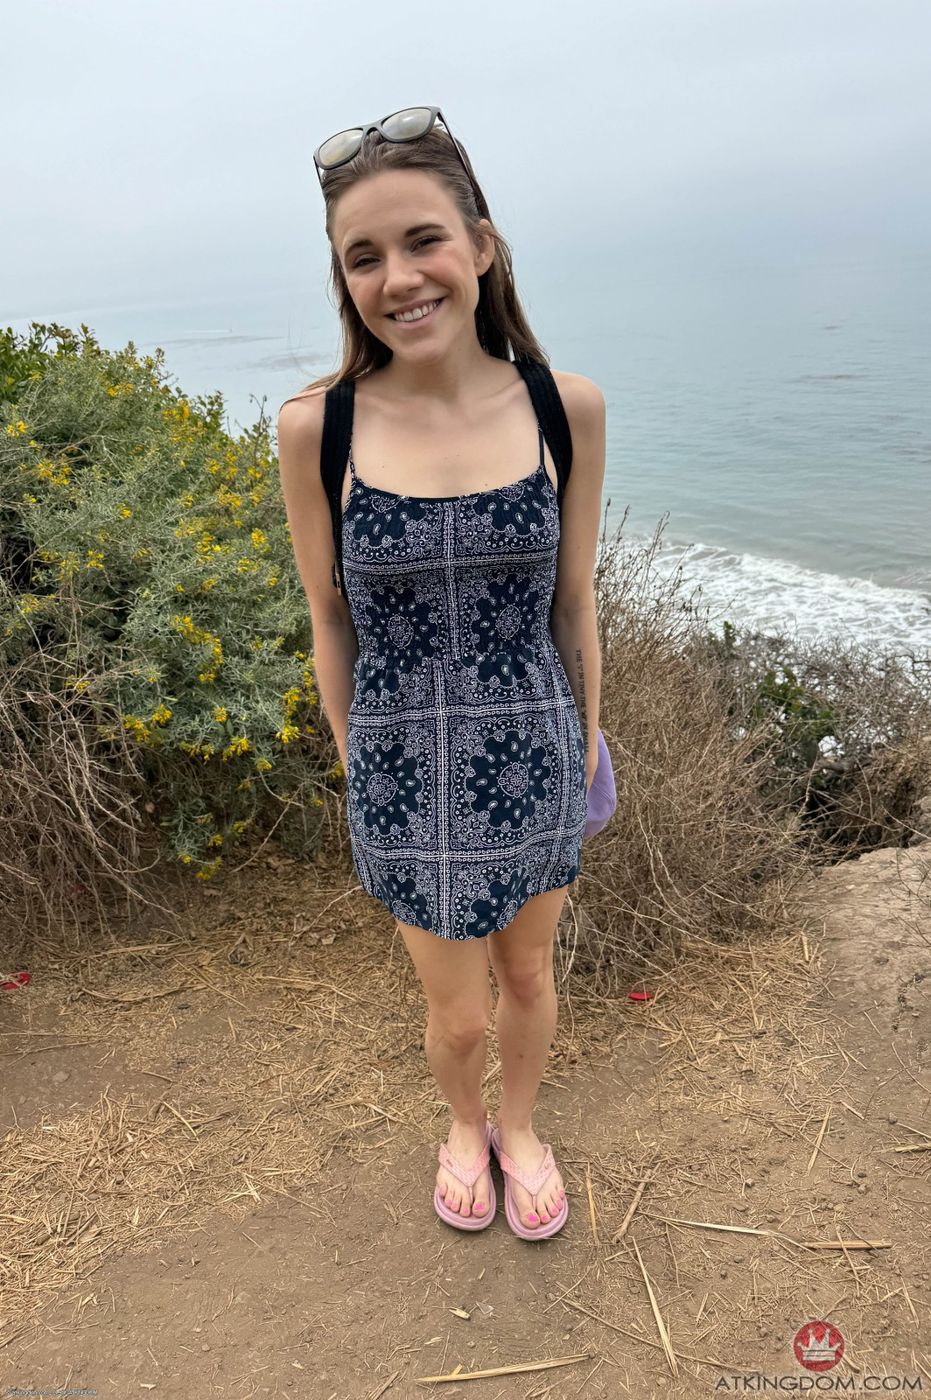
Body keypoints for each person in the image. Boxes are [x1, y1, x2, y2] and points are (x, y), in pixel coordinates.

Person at [276, 107, 605, 1238]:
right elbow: (329, 618)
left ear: (481, 245)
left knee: (529, 978)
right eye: (363, 256)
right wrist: (354, 762)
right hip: (402, 765)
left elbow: (573, 603)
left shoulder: (564, 407)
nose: (399, 277)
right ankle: (463, 1124)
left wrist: (584, 745)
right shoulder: (316, 429)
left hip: (536, 746)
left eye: (422, 240)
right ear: (344, 281)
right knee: (456, 1012)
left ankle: (521, 1128)